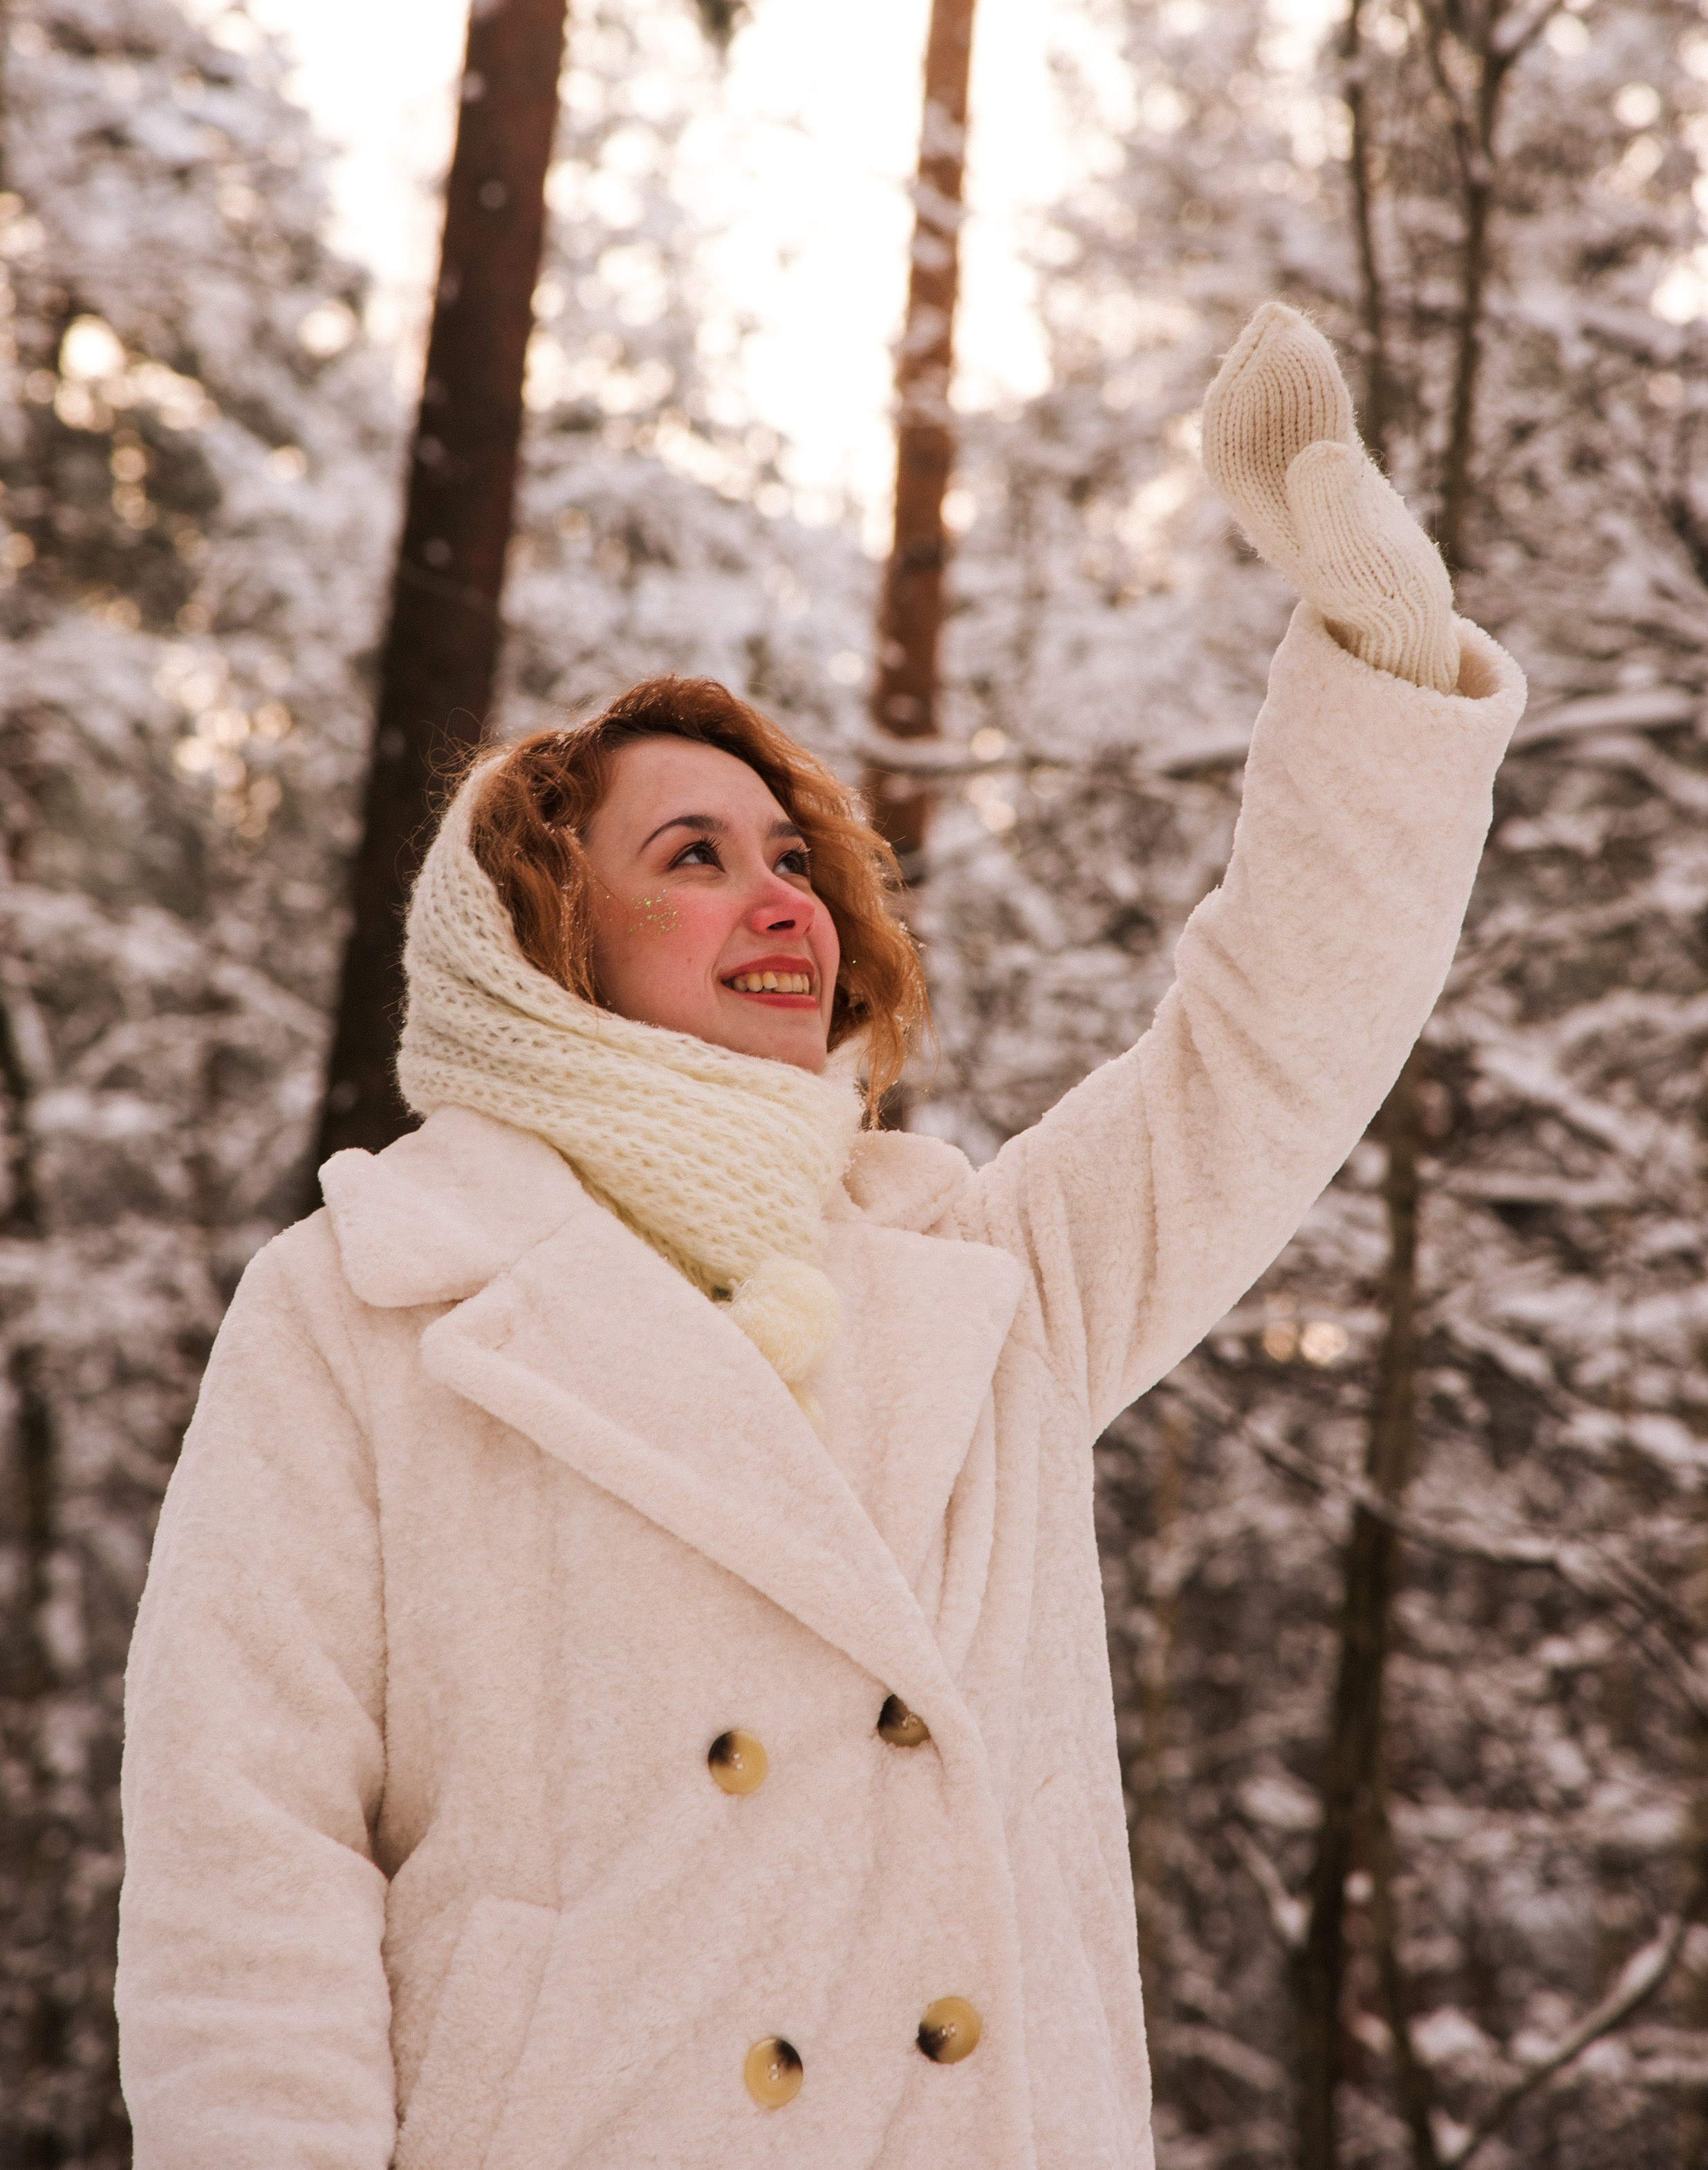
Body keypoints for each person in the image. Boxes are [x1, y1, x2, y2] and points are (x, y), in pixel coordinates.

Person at [115, 305, 1525, 2169]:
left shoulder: (981, 1286)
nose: (778, 894)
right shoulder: (367, 1304)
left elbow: (1270, 1049)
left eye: (791, 856)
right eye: (689, 856)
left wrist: (1379, 662)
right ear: (543, 941)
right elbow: (248, 1866)